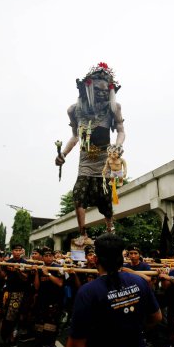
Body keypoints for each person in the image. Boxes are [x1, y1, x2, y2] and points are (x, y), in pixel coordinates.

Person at [55, 62, 125, 239]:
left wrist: (118, 145)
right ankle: (82, 234)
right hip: (85, 160)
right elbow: (75, 136)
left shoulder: (113, 108)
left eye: (104, 91)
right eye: (97, 90)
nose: (101, 94)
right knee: (79, 193)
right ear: (87, 88)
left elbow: (121, 131)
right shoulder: (75, 110)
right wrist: (63, 154)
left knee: (105, 196)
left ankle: (110, 230)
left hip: (105, 159)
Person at [65, 233, 162, 347]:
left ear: (95, 259)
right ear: (122, 259)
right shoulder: (139, 282)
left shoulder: (87, 292)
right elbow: (157, 317)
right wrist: (132, 329)